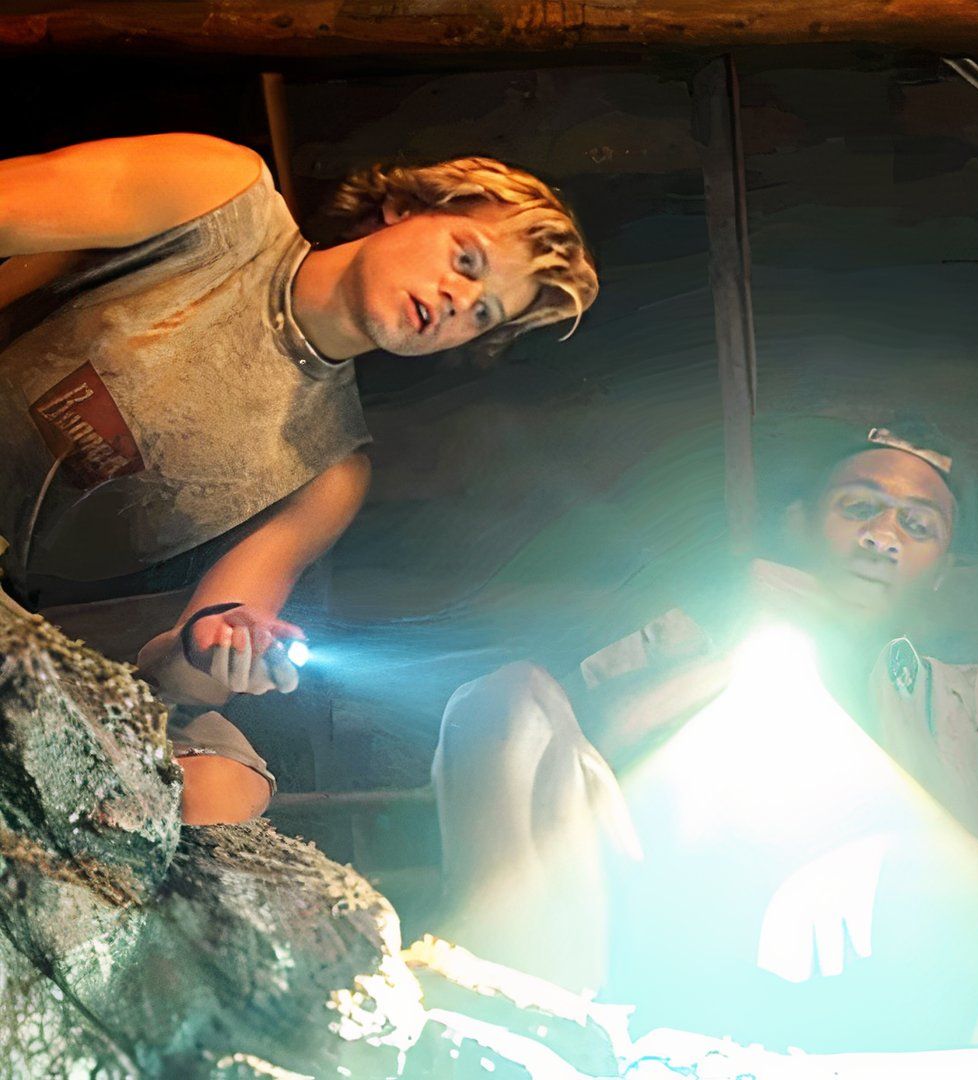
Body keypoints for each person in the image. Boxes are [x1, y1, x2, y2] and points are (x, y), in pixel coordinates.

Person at [432, 426, 978, 1047]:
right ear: (798, 525)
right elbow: (572, 746)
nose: (884, 536)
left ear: (940, 569)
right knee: (503, 701)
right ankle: (530, 1037)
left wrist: (913, 865)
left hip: (914, 982)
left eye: (919, 525)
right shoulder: (694, 639)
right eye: (859, 508)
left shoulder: (972, 697)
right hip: (675, 959)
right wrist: (744, 644)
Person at [0, 133, 599, 824]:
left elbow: (180, 676)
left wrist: (219, 646)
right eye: (467, 259)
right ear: (406, 207)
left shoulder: (330, 471)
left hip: (24, 613)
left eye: (485, 313)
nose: (460, 300)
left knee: (230, 781)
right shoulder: (219, 196)